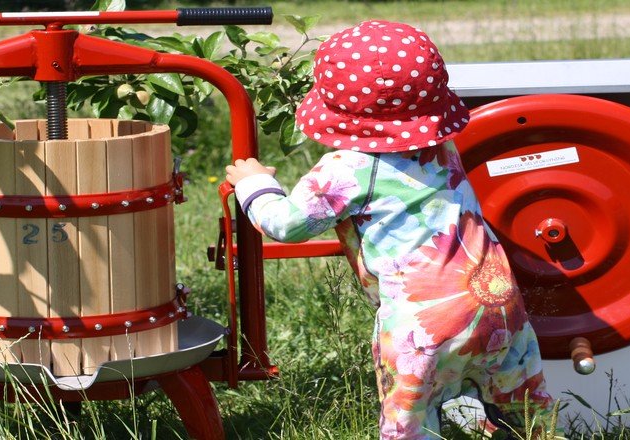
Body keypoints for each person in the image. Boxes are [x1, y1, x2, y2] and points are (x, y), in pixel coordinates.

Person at [226, 20, 553, 439]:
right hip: (498, 303)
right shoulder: (441, 145)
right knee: (522, 406)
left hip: (423, 322)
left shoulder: (348, 170)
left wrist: (253, 181)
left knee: (410, 420)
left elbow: (285, 224)